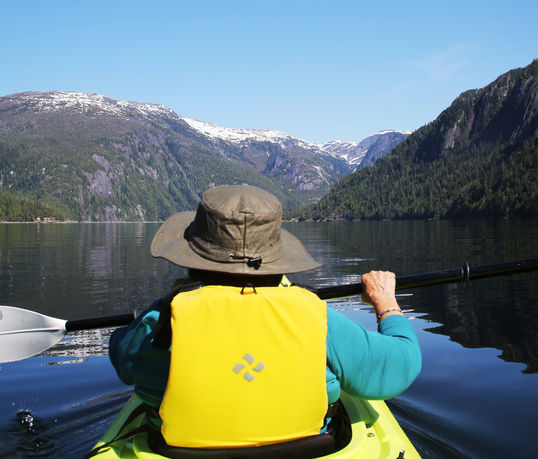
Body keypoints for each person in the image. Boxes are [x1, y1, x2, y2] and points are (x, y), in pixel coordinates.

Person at [108, 184, 421, 452]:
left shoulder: (160, 323)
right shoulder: (317, 318)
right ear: (276, 258)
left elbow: (121, 356)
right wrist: (386, 303)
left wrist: (159, 307)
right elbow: (402, 365)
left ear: (193, 256)